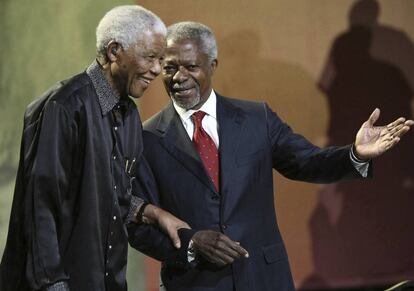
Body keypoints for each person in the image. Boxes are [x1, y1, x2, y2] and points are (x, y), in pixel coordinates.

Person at [131, 22, 413, 290]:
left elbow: (306, 162)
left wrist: (355, 154)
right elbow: (137, 226)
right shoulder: (145, 138)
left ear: (212, 65)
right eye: (170, 68)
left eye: (191, 66)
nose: (179, 78)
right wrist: (191, 243)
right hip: (193, 283)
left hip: (264, 278)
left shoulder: (257, 118)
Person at [0, 5, 190, 291]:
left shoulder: (129, 116)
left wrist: (154, 214)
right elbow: (40, 210)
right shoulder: (62, 107)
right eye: (150, 57)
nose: (156, 69)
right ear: (114, 52)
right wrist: (53, 285)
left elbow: (115, 198)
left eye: (160, 59)